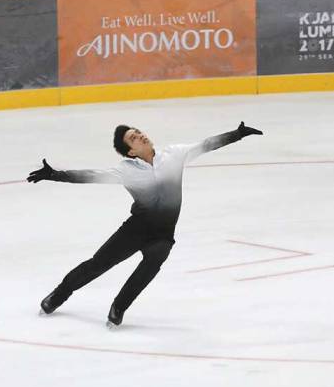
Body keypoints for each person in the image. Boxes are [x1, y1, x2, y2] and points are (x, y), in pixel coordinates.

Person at [27, 121, 263, 327]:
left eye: (138, 132)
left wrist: (237, 134)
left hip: (163, 235)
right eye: (133, 138)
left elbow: (206, 144)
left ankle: (118, 307)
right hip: (135, 230)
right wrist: (55, 174)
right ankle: (59, 294)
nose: (139, 135)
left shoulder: (174, 154)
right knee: (97, 265)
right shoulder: (126, 170)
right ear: (130, 152)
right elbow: (90, 175)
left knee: (149, 269)